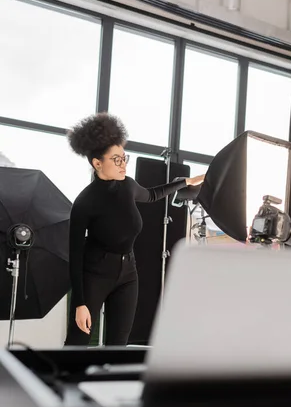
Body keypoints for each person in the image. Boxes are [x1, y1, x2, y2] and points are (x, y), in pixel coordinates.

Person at [64, 112, 204, 346]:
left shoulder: (128, 186)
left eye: (124, 157)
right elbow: (75, 254)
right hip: (94, 276)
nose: (123, 164)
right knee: (77, 343)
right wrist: (79, 303)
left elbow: (152, 195)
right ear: (97, 163)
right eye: (116, 159)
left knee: (118, 346)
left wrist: (185, 182)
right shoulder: (84, 202)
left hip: (128, 274)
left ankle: (109, 382)